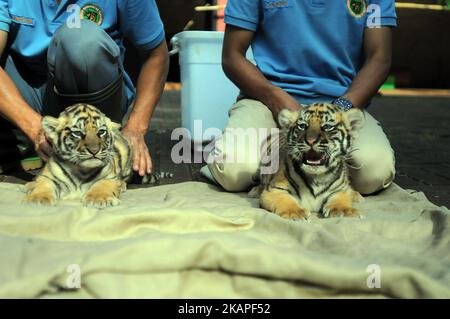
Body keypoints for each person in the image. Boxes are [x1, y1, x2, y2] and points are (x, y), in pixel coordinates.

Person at [202, 0, 397, 195]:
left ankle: (284, 170)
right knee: (234, 172)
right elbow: (232, 56)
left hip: (340, 105)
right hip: (267, 100)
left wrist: (341, 109)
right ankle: (274, 163)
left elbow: (379, 58)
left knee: (374, 173)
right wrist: (275, 97)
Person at [0, 0, 169, 176]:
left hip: (93, 98)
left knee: (80, 39)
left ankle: (97, 144)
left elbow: (156, 55)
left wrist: (136, 128)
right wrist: (34, 127)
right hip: (29, 93)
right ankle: (21, 141)